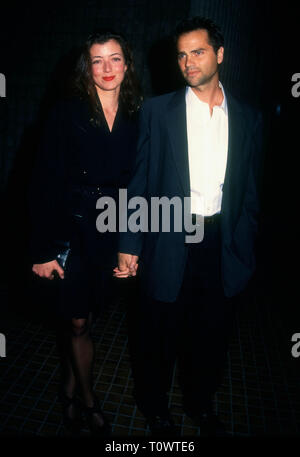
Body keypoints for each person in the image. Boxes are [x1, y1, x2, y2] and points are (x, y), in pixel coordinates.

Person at [114, 16, 264, 436]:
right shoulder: (157, 112)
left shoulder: (249, 119)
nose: (188, 62)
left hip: (220, 242)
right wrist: (130, 241)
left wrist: (244, 249)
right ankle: (155, 409)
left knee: (210, 335)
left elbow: (250, 193)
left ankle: (200, 405)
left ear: (219, 54)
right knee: (158, 334)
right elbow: (139, 181)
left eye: (197, 52)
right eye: (181, 55)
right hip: (168, 235)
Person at [30, 30, 141, 436]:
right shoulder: (67, 111)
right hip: (70, 228)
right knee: (77, 321)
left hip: (112, 230)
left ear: (127, 64)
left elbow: (142, 183)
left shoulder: (138, 112)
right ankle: (87, 399)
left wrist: (134, 242)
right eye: (98, 60)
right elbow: (42, 179)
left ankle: (70, 381)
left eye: (115, 59)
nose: (107, 68)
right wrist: (42, 249)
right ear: (87, 67)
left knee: (91, 313)